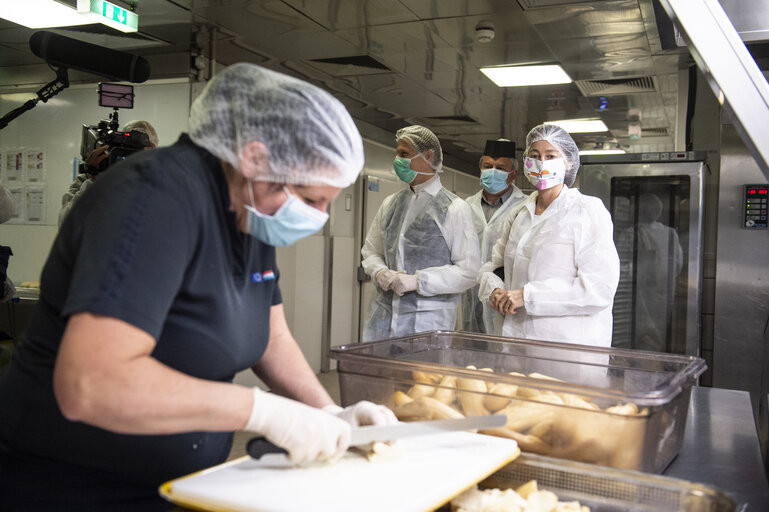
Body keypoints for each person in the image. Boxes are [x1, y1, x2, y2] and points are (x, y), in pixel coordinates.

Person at [0, 63, 397, 511]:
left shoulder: (249, 212)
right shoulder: (153, 199)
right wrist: (263, 411)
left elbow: (272, 337)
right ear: (253, 158)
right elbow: (93, 382)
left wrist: (328, 413)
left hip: (177, 482)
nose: (316, 217)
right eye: (309, 200)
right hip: (75, 485)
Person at [477, 124, 620, 346]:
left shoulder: (587, 211)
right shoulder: (518, 214)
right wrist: (493, 289)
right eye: (534, 155)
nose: (541, 162)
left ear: (569, 162)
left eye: (550, 155)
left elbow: (599, 287)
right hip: (515, 342)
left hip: (567, 348)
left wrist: (528, 296)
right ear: (526, 162)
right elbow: (494, 266)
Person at [361, 125, 480, 342]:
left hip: (428, 323)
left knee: (423, 377)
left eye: (404, 154)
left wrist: (418, 281)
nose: (397, 160)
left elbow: (469, 272)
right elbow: (370, 251)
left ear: (428, 156)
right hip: (383, 320)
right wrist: (379, 272)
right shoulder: (390, 204)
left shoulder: (454, 208)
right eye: (397, 153)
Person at [460, 139, 526, 333]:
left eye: (500, 168)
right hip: (469, 296)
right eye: (488, 166)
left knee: (501, 354)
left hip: (503, 299)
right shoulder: (465, 206)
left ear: (513, 174)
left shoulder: (522, 208)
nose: (493, 171)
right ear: (480, 168)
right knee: (469, 354)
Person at [57, 119, 159, 226]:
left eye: (150, 146)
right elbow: (66, 224)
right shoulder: (88, 179)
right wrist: (95, 181)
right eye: (133, 146)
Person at [615, 192, 683, 352]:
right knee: (658, 335)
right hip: (665, 293)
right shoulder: (671, 233)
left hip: (637, 295)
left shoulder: (632, 233)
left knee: (640, 336)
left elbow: (619, 268)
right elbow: (678, 264)